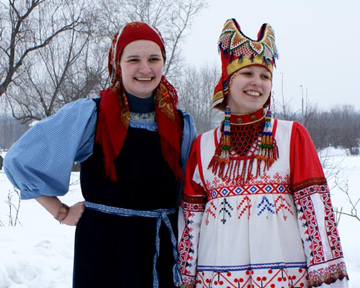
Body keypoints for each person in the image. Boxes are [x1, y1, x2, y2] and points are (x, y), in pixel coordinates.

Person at [4, 21, 197, 288]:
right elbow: (20, 161)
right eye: (133, 59)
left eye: (154, 58)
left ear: (163, 62)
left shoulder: (181, 125)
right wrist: (60, 212)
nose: (145, 68)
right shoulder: (91, 117)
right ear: (118, 65)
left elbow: (191, 198)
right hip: (102, 253)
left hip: (159, 252)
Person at [178, 18, 349, 288]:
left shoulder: (292, 136)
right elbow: (189, 226)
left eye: (265, 76)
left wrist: (330, 282)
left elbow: (316, 218)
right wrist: (185, 281)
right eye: (247, 73)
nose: (257, 82)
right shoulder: (203, 146)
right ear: (227, 80)